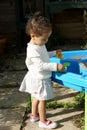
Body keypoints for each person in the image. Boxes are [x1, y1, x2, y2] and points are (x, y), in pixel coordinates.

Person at [19, 12, 65, 129]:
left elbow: (44, 56)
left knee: (36, 97)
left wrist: (54, 53)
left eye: (47, 38)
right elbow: (40, 65)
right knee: (43, 100)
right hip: (40, 79)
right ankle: (43, 121)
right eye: (44, 39)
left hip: (36, 77)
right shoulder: (33, 50)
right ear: (33, 35)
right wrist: (56, 66)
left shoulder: (39, 45)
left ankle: (34, 115)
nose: (46, 41)